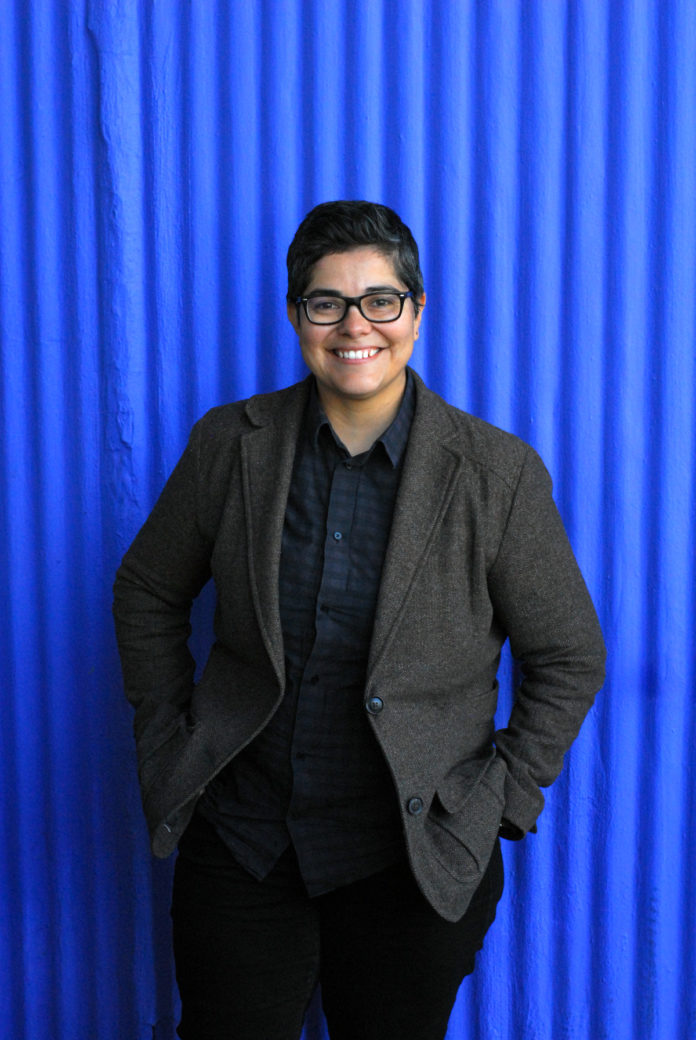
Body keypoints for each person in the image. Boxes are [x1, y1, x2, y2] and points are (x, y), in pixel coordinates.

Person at [113, 200, 606, 1040]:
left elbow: (570, 655)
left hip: (413, 861)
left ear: (416, 310)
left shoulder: (496, 475)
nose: (355, 325)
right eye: (327, 302)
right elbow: (147, 591)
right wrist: (170, 743)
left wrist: (498, 801)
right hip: (244, 842)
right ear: (295, 315)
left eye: (380, 299)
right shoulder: (230, 445)